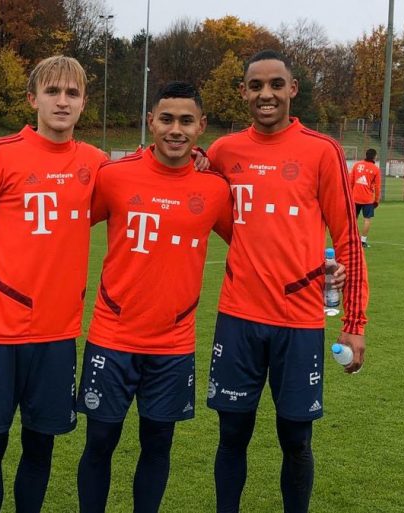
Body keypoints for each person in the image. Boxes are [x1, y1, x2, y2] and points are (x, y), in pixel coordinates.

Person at [204, 50, 368, 513]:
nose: (266, 94)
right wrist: (252, 245)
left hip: (298, 322)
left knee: (295, 438)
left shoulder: (322, 150)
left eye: (277, 84)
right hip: (238, 317)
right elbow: (209, 208)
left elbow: (348, 240)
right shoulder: (224, 152)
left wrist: (354, 322)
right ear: (243, 92)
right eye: (256, 86)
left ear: (293, 89)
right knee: (231, 435)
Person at [0, 55, 108, 513]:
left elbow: (151, 176)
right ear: (32, 98)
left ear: (83, 104)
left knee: (41, 450)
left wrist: (200, 158)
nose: (62, 101)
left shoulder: (97, 165)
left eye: (72, 93)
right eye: (53, 92)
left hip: (57, 335)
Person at [75, 81, 233, 513]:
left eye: (186, 121)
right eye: (166, 119)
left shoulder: (216, 190)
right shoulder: (115, 176)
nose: (175, 130)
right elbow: (62, 232)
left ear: (201, 127)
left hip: (174, 344)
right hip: (112, 335)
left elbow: (255, 245)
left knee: (158, 444)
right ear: (151, 122)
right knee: (100, 442)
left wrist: (318, 264)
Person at [350, 148, 381, 248]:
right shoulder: (375, 169)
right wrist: (376, 200)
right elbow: (377, 187)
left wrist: (349, 196)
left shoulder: (357, 165)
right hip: (367, 199)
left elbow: (350, 182)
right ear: (374, 156)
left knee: (353, 219)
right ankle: (363, 241)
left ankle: (351, 240)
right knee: (367, 219)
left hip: (354, 197)